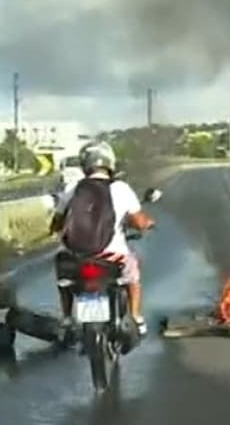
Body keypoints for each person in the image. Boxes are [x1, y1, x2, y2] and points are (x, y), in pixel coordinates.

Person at [50, 141, 155, 336]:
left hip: (75, 256)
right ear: (110, 163)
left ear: (85, 165)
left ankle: (66, 317)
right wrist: (148, 223)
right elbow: (139, 222)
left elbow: (56, 223)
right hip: (112, 256)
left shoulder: (73, 188)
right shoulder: (121, 188)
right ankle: (136, 317)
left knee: (64, 278)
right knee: (133, 273)